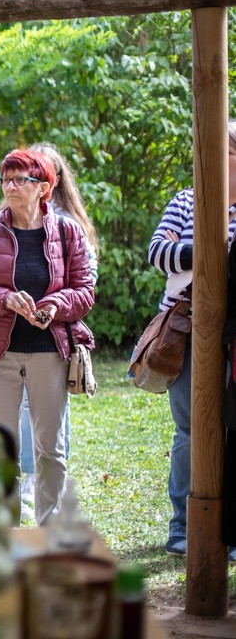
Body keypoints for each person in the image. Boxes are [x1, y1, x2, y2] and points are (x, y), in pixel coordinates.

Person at [0, 148, 94, 525]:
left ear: (44, 188)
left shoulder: (67, 231)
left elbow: (85, 290)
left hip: (50, 352)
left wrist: (54, 305)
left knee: (50, 448)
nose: (11, 187)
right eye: (6, 180)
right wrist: (5, 299)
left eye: (21, 179)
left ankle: (49, 529)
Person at [148, 122, 236, 557]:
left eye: (224, 153)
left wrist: (191, 257)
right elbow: (156, 252)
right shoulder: (186, 201)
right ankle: (182, 528)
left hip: (231, 337)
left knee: (231, 430)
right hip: (185, 332)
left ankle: (230, 528)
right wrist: (212, 254)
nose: (213, 161)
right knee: (189, 431)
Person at [15, 142, 100, 519]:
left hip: (56, 334)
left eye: (39, 171)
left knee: (52, 419)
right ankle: (27, 484)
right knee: (22, 412)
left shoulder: (68, 224)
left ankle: (47, 493)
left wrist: (53, 306)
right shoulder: (8, 218)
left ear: (53, 179)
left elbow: (88, 280)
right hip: (14, 336)